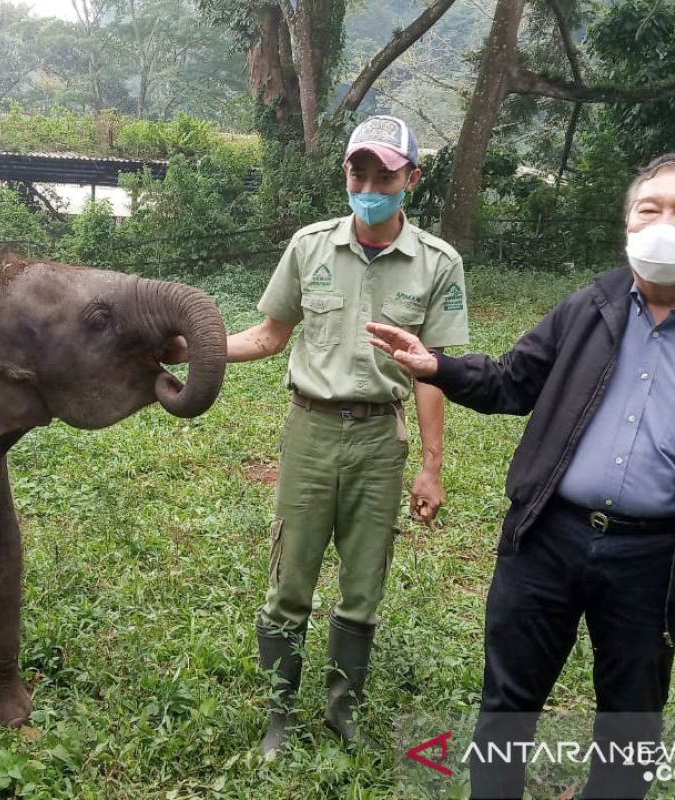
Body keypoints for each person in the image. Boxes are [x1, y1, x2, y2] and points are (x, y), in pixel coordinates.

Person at [368, 153, 675, 798]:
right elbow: (512, 381)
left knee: (631, 716)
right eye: (650, 208)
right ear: (628, 223)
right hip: (547, 538)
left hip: (657, 558)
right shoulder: (593, 304)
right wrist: (437, 367)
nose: (664, 223)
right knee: (507, 700)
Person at [173, 115, 470, 754]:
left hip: (378, 443)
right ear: (346, 173)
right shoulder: (309, 248)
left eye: (385, 174)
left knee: (363, 588)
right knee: (289, 584)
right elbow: (267, 336)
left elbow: (431, 373)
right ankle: (278, 717)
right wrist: (191, 350)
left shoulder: (438, 264)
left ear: (410, 180)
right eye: (359, 172)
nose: (370, 184)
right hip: (308, 432)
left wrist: (432, 464)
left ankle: (343, 711)